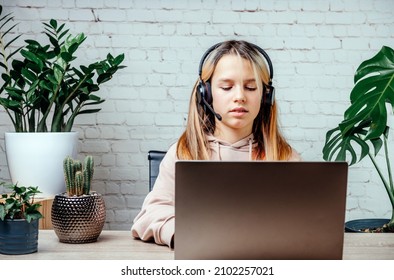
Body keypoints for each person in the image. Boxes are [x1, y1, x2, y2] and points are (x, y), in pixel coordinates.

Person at [131, 40, 301, 248]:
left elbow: (303, 221)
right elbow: (149, 214)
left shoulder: (285, 157)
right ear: (206, 94)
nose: (240, 97)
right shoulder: (183, 152)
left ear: (266, 97)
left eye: (250, 87)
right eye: (227, 87)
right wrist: (185, 234)